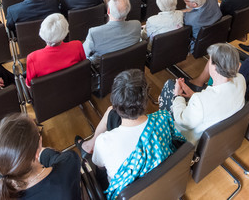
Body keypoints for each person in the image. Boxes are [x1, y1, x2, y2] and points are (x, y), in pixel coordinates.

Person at [76, 70, 185, 198]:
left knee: (100, 170)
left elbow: (100, 167)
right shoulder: (164, 118)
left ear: (114, 101)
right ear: (146, 97)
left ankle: (87, 147)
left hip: (127, 194)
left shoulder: (104, 142)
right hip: (161, 186)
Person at [159, 43, 246, 145]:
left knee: (170, 86)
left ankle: (163, 133)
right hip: (219, 137)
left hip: (190, 142)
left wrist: (177, 95)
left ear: (214, 67)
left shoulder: (201, 101)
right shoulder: (241, 80)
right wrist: (194, 95)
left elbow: (181, 120)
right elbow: (213, 102)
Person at [0, 113, 81, 200]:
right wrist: (43, 152)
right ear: (36, 151)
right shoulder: (68, 165)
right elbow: (63, 158)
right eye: (38, 131)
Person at [26, 14, 85, 86]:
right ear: (65, 32)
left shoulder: (32, 58)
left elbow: (29, 85)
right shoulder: (77, 45)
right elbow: (83, 68)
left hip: (48, 95)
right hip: (75, 87)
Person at [83, 0, 141, 67]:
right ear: (128, 11)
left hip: (102, 68)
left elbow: (84, 53)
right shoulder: (137, 25)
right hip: (128, 65)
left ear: (108, 11)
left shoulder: (94, 33)